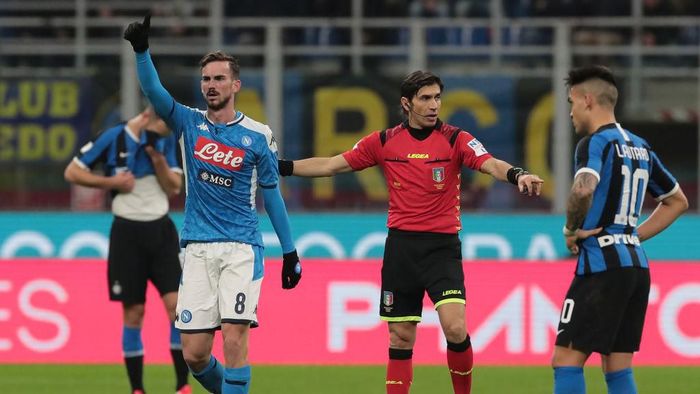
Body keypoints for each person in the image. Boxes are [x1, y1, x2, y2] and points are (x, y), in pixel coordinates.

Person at [277, 70, 544, 394]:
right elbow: (333, 165)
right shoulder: (385, 142)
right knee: (401, 336)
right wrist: (284, 167)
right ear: (407, 103)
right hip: (401, 248)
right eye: (425, 98)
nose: (434, 105)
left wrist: (517, 174)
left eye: (437, 98)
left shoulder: (455, 139)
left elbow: (490, 163)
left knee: (455, 327)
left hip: (442, 249)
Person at [123, 15, 302, 394]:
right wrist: (142, 52)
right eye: (206, 79)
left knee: (235, 339)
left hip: (241, 248)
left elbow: (271, 196)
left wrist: (289, 252)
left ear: (236, 84)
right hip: (197, 249)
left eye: (219, 78)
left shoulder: (257, 136)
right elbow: (156, 95)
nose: (211, 85)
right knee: (195, 355)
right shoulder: (189, 123)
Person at [553, 65, 688, 394]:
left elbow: (584, 188)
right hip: (636, 265)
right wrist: (632, 235)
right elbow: (677, 201)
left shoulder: (594, 143)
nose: (569, 111)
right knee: (617, 366)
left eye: (571, 102)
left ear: (587, 100)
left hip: (601, 265)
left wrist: (571, 228)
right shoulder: (641, 146)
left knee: (566, 359)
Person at [64, 107, 191, 394]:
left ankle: (182, 385)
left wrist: (157, 159)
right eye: (165, 123)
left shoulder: (164, 140)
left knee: (177, 308)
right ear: (148, 116)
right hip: (126, 233)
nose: (169, 129)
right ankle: (137, 389)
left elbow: (173, 186)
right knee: (134, 313)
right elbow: (72, 172)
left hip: (161, 232)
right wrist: (111, 183)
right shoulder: (112, 138)